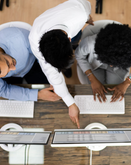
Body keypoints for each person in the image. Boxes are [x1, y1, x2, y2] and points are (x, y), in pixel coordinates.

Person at [29, 0, 94, 128]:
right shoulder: (34, 41)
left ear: (68, 40)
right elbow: (54, 78)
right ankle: (64, 66)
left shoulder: (80, 11)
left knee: (78, 38)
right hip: (63, 27)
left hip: (76, 24)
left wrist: (86, 18)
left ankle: (65, 64)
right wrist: (71, 103)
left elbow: (86, 7)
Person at [0, 27, 61, 102]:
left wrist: (53, 74)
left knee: (54, 90)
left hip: (33, 64)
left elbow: (44, 55)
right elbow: (3, 90)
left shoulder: (20, 38)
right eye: (6, 72)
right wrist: (38, 95)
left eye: (7, 62)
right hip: (9, 79)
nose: (14, 68)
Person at [75, 23, 131, 102]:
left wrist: (127, 82)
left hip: (119, 67)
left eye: (112, 64)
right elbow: (79, 56)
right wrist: (92, 79)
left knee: (114, 92)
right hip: (95, 66)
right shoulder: (90, 43)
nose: (110, 66)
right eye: (110, 63)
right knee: (96, 93)